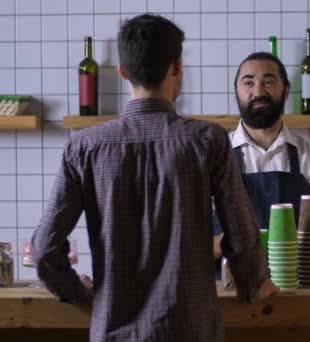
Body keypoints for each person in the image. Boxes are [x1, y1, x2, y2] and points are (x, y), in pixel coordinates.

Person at [30, 14, 278, 342]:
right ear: (177, 67)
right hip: (191, 332)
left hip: (114, 333)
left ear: (122, 71)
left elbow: (44, 248)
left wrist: (77, 292)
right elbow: (243, 238)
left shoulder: (83, 147)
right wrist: (252, 287)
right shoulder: (208, 141)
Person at [213, 52, 310, 258]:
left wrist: (305, 249)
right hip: (231, 288)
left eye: (268, 82)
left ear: (287, 91)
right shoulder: (212, 159)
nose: (258, 91)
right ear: (236, 91)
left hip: (301, 288)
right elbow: (191, 240)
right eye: (248, 83)